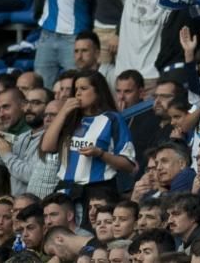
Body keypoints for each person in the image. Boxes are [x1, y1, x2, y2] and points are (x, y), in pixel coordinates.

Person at [40, 70, 135, 204]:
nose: (78, 93)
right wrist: (63, 112)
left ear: (98, 92)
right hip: (65, 191)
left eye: (83, 88)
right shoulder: (69, 118)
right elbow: (47, 146)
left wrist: (101, 154)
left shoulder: (112, 119)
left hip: (99, 192)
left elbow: (128, 165)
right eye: (76, 89)